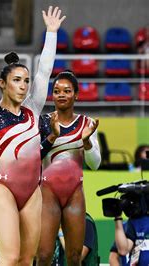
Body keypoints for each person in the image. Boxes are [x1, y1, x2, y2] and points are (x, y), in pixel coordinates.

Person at [0, 6, 64, 264]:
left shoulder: (33, 111)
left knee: (26, 259)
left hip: (32, 191)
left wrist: (51, 34)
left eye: (25, 81)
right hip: (5, 190)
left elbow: (44, 72)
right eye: (16, 80)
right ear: (3, 83)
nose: (23, 86)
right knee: (9, 258)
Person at [37, 69, 101, 266]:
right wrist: (52, 136)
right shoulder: (43, 122)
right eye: (57, 91)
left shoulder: (87, 124)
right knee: (44, 256)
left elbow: (95, 164)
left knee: (74, 257)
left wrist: (87, 142)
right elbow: (33, 157)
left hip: (74, 193)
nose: (61, 95)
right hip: (48, 193)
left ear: (76, 94)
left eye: (67, 91)